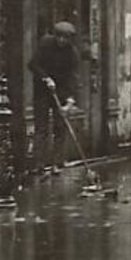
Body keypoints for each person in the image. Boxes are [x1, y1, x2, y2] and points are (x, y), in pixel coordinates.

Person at [28, 21, 81, 173]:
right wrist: (46, 78)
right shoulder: (45, 44)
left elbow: (74, 77)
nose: (62, 41)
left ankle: (57, 163)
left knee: (60, 127)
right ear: (55, 35)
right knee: (41, 128)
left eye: (66, 38)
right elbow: (32, 64)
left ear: (70, 39)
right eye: (60, 37)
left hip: (61, 92)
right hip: (42, 91)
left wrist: (70, 101)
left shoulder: (73, 53)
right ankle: (38, 164)